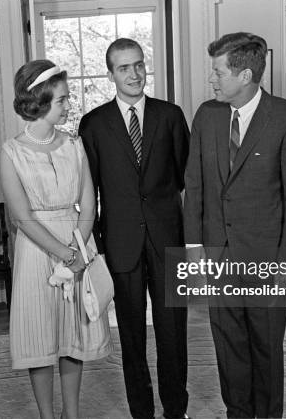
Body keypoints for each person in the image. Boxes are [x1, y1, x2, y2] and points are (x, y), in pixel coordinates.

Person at [183, 32, 286, 418]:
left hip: (267, 261)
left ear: (244, 75)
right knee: (229, 349)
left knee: (266, 348)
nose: (212, 80)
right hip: (217, 257)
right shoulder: (206, 116)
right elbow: (194, 186)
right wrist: (194, 252)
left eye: (218, 72)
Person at [79, 38, 190, 419]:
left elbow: (182, 176)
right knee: (131, 336)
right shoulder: (93, 124)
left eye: (139, 65)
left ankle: (176, 410)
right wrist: (95, 243)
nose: (135, 74)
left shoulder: (171, 115)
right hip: (120, 244)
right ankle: (141, 411)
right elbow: (88, 191)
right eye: (124, 68)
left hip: (167, 241)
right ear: (110, 74)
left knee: (173, 333)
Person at [1, 59, 112, 419]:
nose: (69, 104)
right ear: (40, 100)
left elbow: (88, 201)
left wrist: (78, 250)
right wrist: (63, 254)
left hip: (78, 244)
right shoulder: (11, 151)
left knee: (73, 336)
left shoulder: (74, 145)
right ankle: (47, 415)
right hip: (37, 252)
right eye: (62, 99)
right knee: (41, 335)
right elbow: (21, 216)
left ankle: (73, 413)